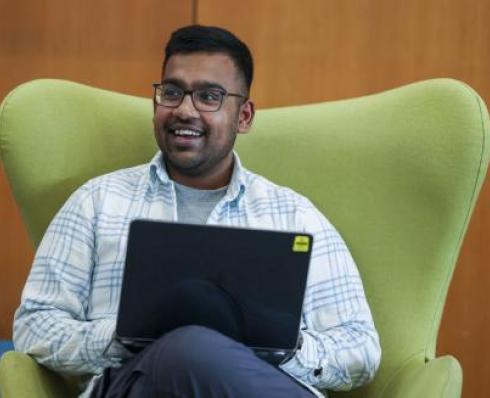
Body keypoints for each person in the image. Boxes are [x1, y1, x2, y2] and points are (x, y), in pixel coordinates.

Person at [13, 25, 381, 397]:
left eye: (209, 96)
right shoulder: (96, 202)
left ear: (245, 117)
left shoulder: (294, 216)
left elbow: (361, 349)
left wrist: (285, 346)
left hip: (247, 386)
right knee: (185, 349)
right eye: (172, 92)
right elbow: (34, 327)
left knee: (198, 348)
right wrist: (123, 336)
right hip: (137, 384)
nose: (185, 110)